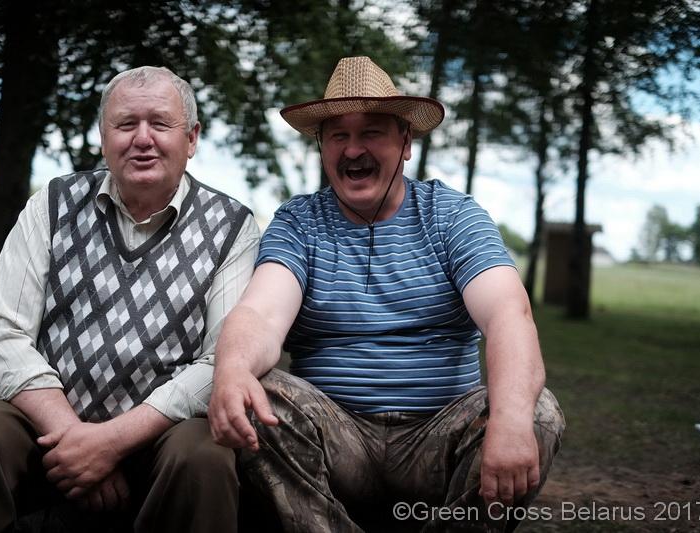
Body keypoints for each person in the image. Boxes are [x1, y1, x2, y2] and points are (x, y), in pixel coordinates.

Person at [209, 56, 565, 532]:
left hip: (437, 438)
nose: (353, 149)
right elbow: (260, 313)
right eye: (338, 135)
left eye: (372, 133)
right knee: (258, 393)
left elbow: (508, 314)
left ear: (406, 143)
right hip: (336, 439)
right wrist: (232, 369)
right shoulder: (298, 223)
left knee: (534, 411)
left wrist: (512, 419)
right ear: (322, 147)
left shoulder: (453, 216)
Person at [0, 66, 259, 533]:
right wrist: (74, 438)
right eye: (126, 124)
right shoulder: (54, 202)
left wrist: (112, 442)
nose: (142, 139)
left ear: (192, 138)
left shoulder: (233, 227)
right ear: (104, 138)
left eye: (160, 124)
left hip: (162, 436)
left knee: (204, 456)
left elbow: (220, 361)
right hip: (48, 428)